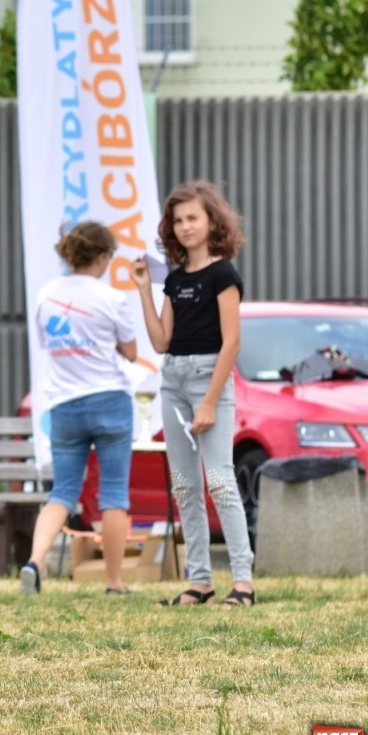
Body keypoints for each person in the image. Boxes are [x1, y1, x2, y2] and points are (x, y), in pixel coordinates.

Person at [130, 181, 255, 607]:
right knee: (184, 486)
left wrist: (208, 402)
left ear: (212, 221)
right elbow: (162, 341)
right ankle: (199, 581)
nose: (184, 227)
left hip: (208, 380)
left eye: (193, 218)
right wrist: (144, 290)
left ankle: (243, 583)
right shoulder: (176, 280)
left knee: (219, 481)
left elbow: (232, 343)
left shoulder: (224, 275)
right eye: (177, 220)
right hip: (173, 381)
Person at [20, 222, 139, 596]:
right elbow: (132, 352)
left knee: (63, 492)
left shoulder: (46, 296)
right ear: (103, 256)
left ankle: (35, 561)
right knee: (114, 494)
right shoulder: (112, 298)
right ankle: (114, 582)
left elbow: (46, 343)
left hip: (64, 404)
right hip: (110, 400)